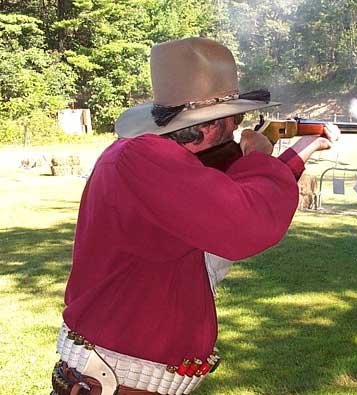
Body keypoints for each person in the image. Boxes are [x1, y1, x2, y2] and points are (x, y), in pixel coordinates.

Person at [51, 37, 339, 395]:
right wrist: (258, 156)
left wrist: (298, 152)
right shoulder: (145, 158)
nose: (236, 127)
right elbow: (246, 224)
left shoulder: (154, 159)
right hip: (114, 383)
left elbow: (226, 200)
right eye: (233, 118)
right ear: (208, 126)